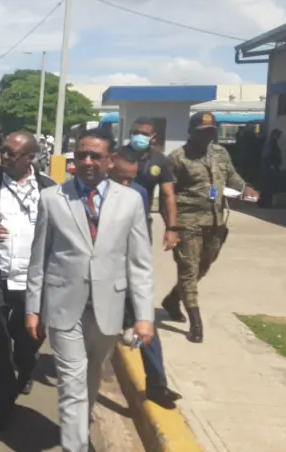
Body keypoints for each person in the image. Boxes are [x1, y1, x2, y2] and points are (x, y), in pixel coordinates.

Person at [25, 128, 155, 452]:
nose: (87, 161)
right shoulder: (53, 198)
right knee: (71, 382)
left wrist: (144, 317)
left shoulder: (131, 201)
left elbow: (140, 263)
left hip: (108, 308)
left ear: (110, 160)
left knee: (92, 377)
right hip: (63, 304)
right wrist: (33, 308)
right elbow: (39, 258)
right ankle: (76, 447)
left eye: (95, 156)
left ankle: (79, 428)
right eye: (81, 155)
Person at [0, 131, 56, 430]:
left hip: (34, 281)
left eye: (11, 153)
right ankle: (1, 399)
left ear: (30, 158)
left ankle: (24, 367)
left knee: (28, 340)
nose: (4, 157)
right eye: (2, 151)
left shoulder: (49, 189)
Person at [162, 113, 259, 343]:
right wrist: (171, 227)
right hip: (188, 221)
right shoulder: (177, 158)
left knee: (203, 266)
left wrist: (246, 188)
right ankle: (196, 322)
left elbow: (232, 176)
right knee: (188, 268)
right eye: (202, 131)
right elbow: (168, 196)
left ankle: (173, 299)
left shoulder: (220, 153)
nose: (207, 135)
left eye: (211, 131)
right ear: (191, 132)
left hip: (216, 221)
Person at [108, 146, 182, 409]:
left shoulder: (138, 194)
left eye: (131, 178)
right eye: (121, 178)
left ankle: (157, 385)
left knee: (146, 323)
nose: (126, 184)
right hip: (96, 274)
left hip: (127, 270)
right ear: (109, 165)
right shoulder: (94, 192)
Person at [126, 117, 180, 251]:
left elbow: (168, 195)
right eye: (136, 132)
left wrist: (171, 228)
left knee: (140, 260)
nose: (139, 136)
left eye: (144, 134)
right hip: (113, 220)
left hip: (142, 220)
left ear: (153, 137)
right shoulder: (116, 156)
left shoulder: (160, 160)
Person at [257, 128, 282, 208]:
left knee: (267, 186)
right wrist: (272, 165)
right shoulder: (272, 144)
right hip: (271, 168)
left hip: (268, 168)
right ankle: (266, 203)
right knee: (269, 186)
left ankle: (264, 202)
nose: (278, 136)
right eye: (278, 135)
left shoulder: (269, 143)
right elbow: (270, 156)